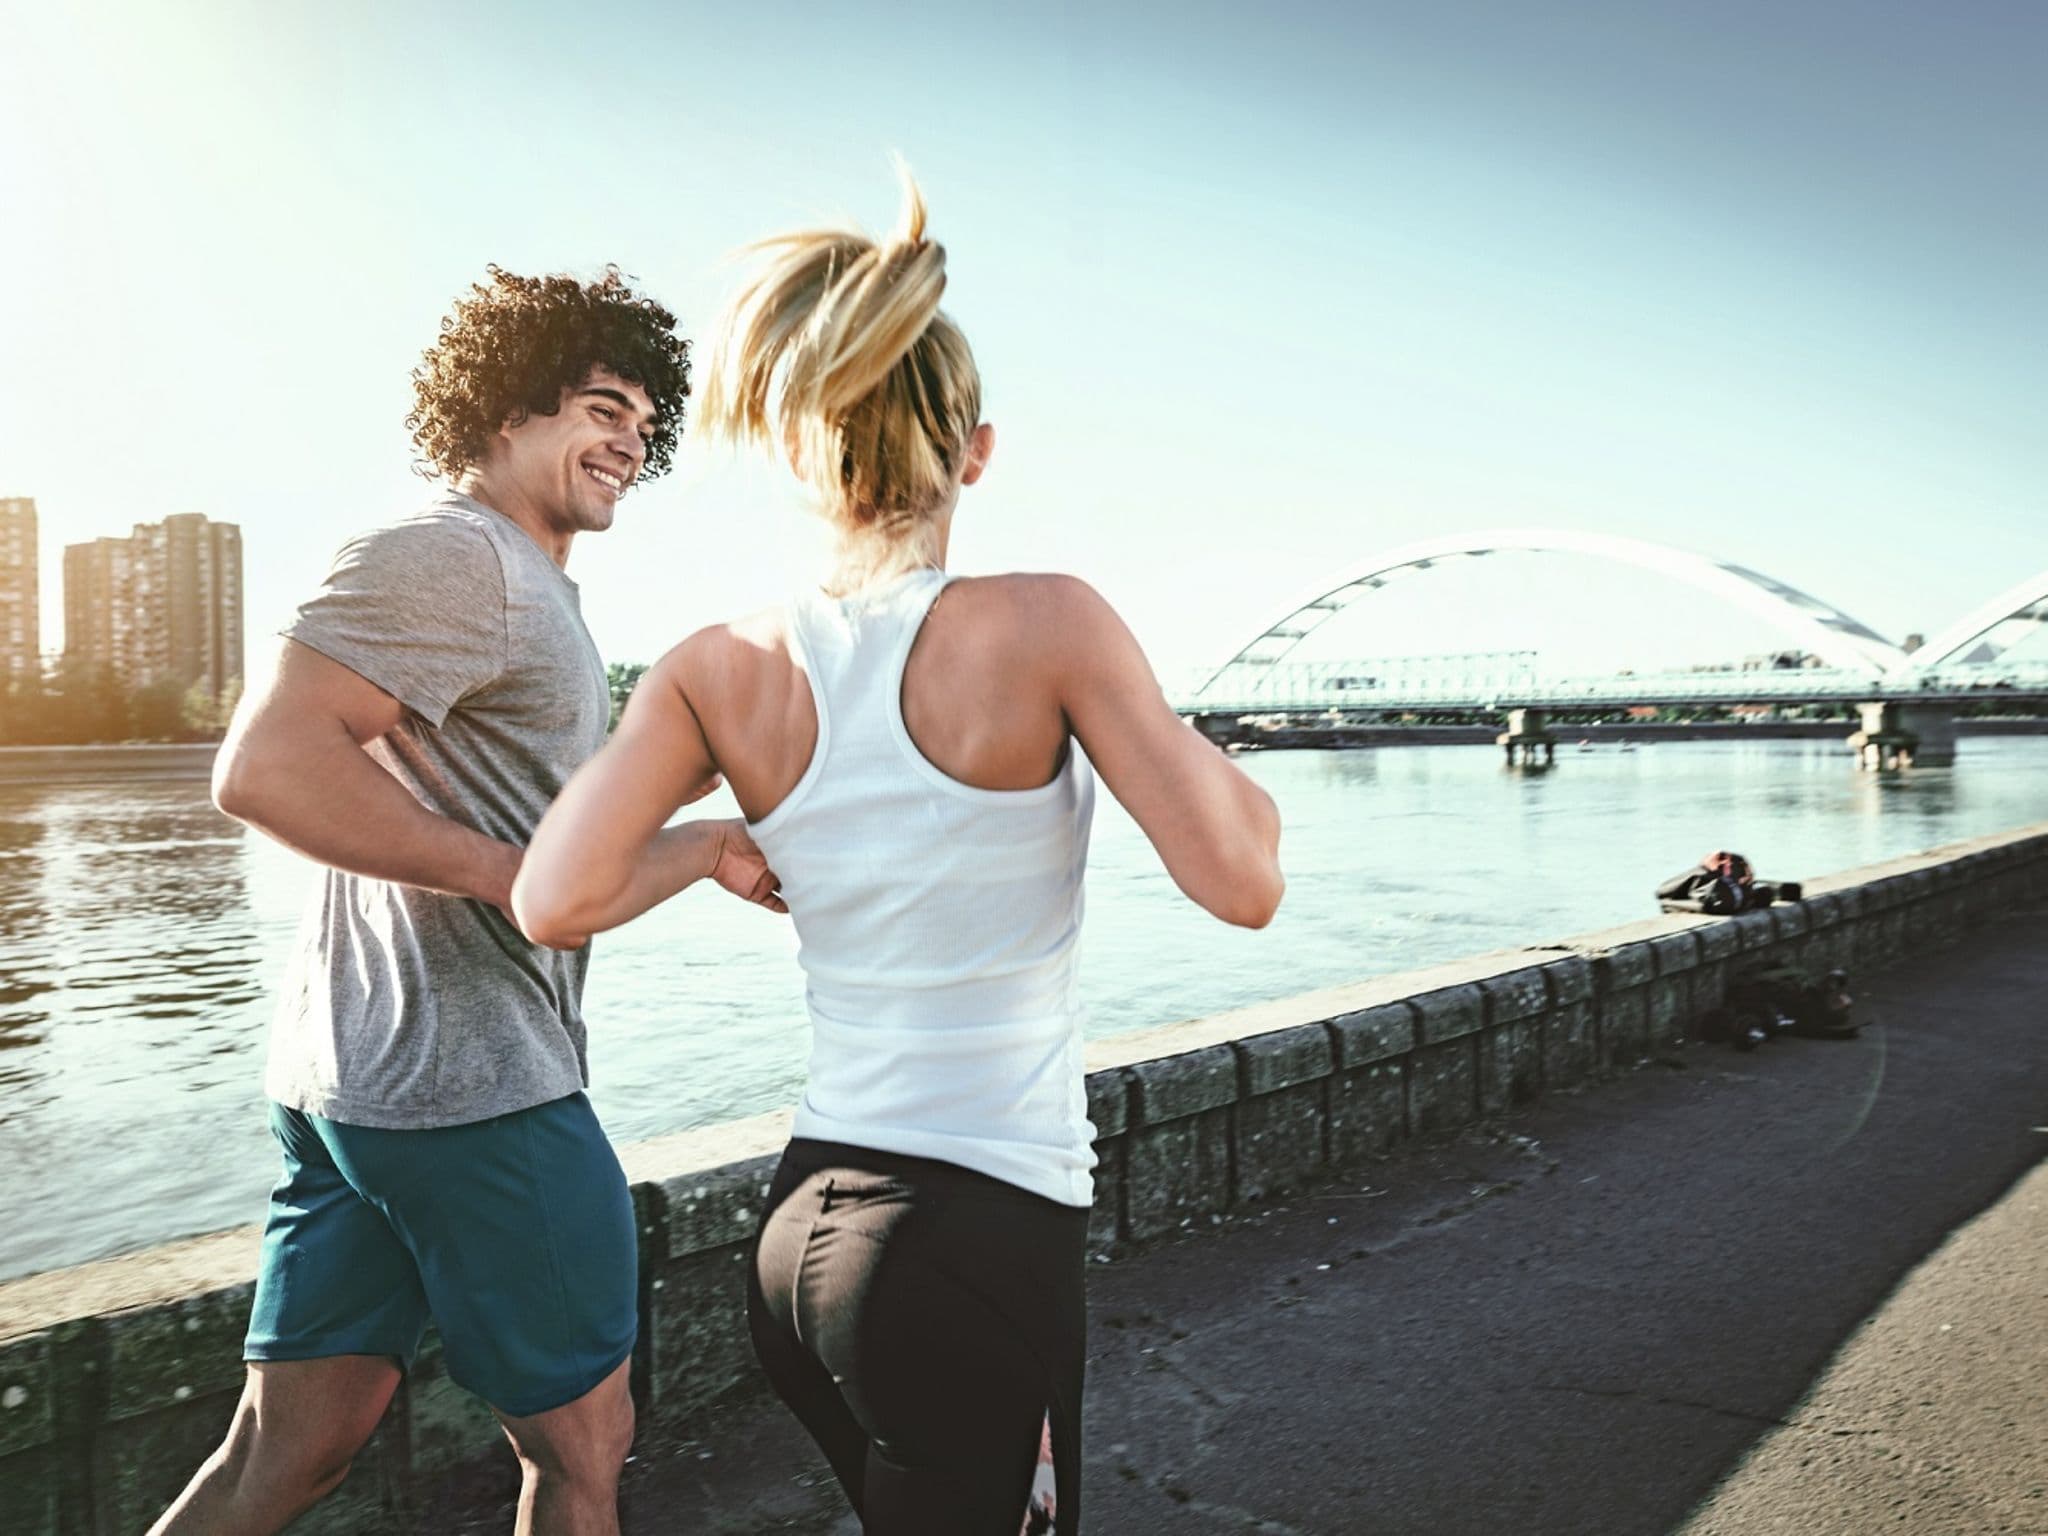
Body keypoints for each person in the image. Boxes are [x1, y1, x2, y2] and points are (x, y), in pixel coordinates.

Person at [512, 169, 1285, 1535]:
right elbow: (1243, 883)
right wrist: (1185, 744)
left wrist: (711, 844)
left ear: (798, 446)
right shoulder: (1049, 624)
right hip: (974, 1240)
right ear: (971, 452)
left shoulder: (716, 665)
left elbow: (551, 895)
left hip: (802, 1235)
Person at [151, 268, 720, 1536]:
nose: (630, 441)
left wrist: (686, 822)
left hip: (351, 1082)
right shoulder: (461, 555)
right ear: (506, 407)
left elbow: (533, 833)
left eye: (644, 422)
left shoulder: (520, 580)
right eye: (600, 408)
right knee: (582, 1451)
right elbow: (266, 767)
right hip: (475, 1090)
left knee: (286, 1454)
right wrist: (509, 877)